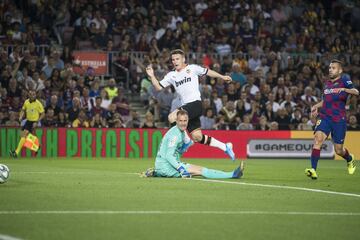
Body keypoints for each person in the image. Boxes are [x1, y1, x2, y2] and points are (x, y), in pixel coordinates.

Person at [145, 49, 235, 160]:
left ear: (183, 59)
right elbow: (158, 87)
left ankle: (185, 142)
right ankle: (225, 146)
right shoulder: (171, 75)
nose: (175, 61)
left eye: (177, 59)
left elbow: (207, 72)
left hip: (195, 104)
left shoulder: (192, 68)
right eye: (173, 59)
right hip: (187, 109)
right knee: (197, 137)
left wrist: (222, 76)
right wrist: (152, 75)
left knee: (172, 117)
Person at [142, 110, 244, 178]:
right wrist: (181, 168)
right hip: (167, 167)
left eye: (185, 121)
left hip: (163, 165)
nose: (183, 123)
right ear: (176, 121)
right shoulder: (176, 135)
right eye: (180, 121)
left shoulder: (179, 132)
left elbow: (175, 151)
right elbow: (169, 155)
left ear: (188, 121)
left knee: (195, 170)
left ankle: (157, 172)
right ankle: (233, 174)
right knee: (200, 170)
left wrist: (187, 145)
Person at [306, 59, 359, 179]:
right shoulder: (327, 84)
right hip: (325, 117)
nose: (330, 69)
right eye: (330, 68)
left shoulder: (344, 79)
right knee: (318, 139)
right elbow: (326, 101)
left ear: (340, 70)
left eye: (333, 68)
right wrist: (315, 106)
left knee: (339, 150)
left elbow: (356, 92)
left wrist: (345, 90)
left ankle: (349, 159)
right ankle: (313, 170)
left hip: (338, 119)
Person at [10, 90, 45, 157]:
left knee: (24, 135)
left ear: (35, 95)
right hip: (28, 121)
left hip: (34, 121)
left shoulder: (38, 103)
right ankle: (37, 145)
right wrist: (20, 116)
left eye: (34, 94)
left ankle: (16, 152)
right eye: (31, 94)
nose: (32, 96)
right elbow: (23, 110)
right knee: (23, 135)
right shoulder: (26, 102)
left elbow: (43, 114)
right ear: (29, 95)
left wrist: (37, 121)